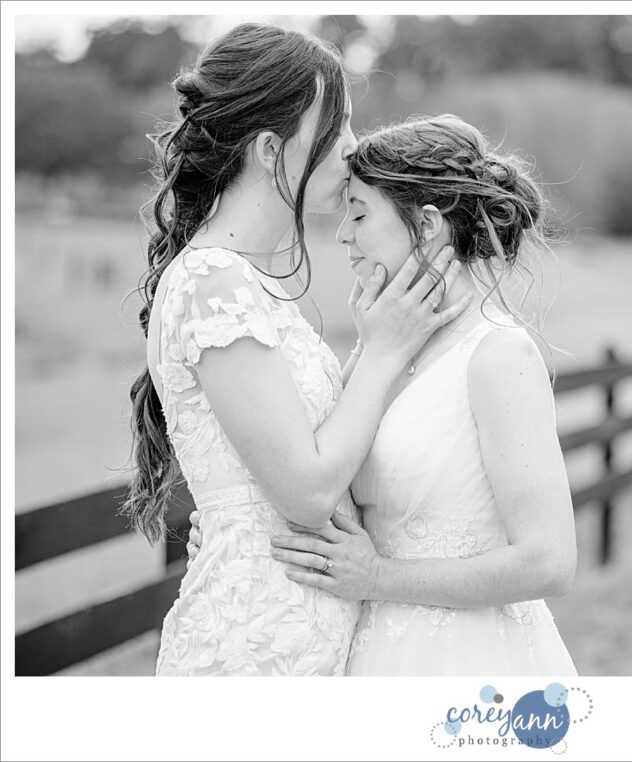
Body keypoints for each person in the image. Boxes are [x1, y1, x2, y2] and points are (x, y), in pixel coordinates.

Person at [122, 23, 469, 676]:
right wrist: (383, 353)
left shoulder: (246, 283)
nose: (354, 145)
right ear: (269, 149)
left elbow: (295, 458)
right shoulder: (213, 281)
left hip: (299, 640)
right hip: (254, 649)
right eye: (337, 126)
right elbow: (307, 493)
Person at [190, 114, 579, 675]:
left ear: (426, 225)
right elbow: (316, 477)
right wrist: (243, 529)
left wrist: (378, 577)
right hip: (373, 652)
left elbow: (549, 561)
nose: (343, 234)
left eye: (359, 213)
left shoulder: (499, 355)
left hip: (464, 659)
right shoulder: (385, 354)